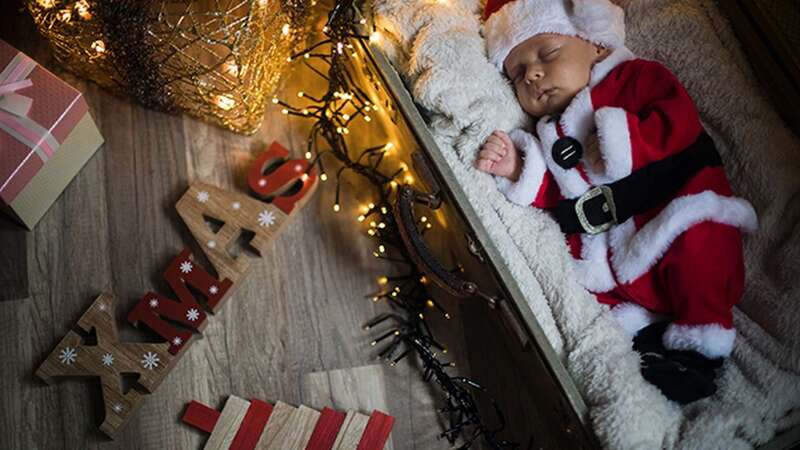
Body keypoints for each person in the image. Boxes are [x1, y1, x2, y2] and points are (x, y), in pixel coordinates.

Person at [476, 0, 758, 404]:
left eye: (547, 54)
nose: (533, 74)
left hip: (675, 214)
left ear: (596, 45)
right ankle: (650, 348)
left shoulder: (635, 78)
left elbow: (677, 122)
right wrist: (520, 169)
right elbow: (562, 193)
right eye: (518, 73)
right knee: (601, 299)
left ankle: (700, 350)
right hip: (617, 254)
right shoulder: (549, 132)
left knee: (700, 252)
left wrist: (624, 138)